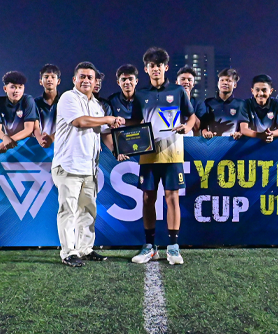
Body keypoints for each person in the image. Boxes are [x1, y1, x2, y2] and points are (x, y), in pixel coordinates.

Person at [125, 47, 198, 265]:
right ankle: (150, 247)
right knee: (148, 198)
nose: (155, 69)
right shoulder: (140, 94)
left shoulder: (178, 91)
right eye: (151, 66)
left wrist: (187, 127)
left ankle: (173, 248)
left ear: (166, 67)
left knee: (172, 197)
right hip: (148, 154)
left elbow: (191, 116)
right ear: (146, 69)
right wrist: (119, 125)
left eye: (159, 65)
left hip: (173, 153)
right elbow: (135, 121)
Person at [52, 62, 125, 267]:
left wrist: (116, 150)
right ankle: (68, 252)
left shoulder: (97, 105)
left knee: (87, 211)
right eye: (82, 76)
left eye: (89, 77)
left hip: (89, 168)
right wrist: (108, 119)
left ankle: (85, 249)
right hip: (68, 165)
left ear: (95, 82)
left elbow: (104, 133)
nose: (86, 80)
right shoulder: (68, 97)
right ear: (74, 79)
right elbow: (80, 122)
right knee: (68, 210)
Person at [0, 71, 38, 153]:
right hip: (7, 143)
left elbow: (28, 129)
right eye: (13, 87)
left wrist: (8, 141)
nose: (16, 91)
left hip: (26, 144)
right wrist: (4, 138)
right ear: (5, 89)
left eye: (20, 87)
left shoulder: (28, 100)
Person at [195, 68, 246, 139]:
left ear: (235, 85)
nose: (225, 83)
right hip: (212, 142)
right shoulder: (208, 102)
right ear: (218, 83)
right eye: (222, 80)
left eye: (228, 80)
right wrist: (205, 132)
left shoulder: (241, 104)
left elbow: (245, 125)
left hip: (234, 142)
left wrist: (239, 133)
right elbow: (203, 124)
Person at [239, 74, 278, 142]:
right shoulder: (245, 104)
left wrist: (270, 134)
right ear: (252, 91)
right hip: (251, 142)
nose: (260, 93)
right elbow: (244, 129)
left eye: (264, 90)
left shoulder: (277, 103)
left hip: (271, 142)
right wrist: (259, 135)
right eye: (257, 90)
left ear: (271, 91)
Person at [33, 64, 61, 148]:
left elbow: (67, 125)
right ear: (40, 82)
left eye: (53, 77)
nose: (49, 79)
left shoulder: (64, 101)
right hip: (39, 146)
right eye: (46, 77)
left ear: (58, 81)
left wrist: (52, 138)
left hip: (60, 144)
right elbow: (34, 125)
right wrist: (40, 138)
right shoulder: (35, 102)